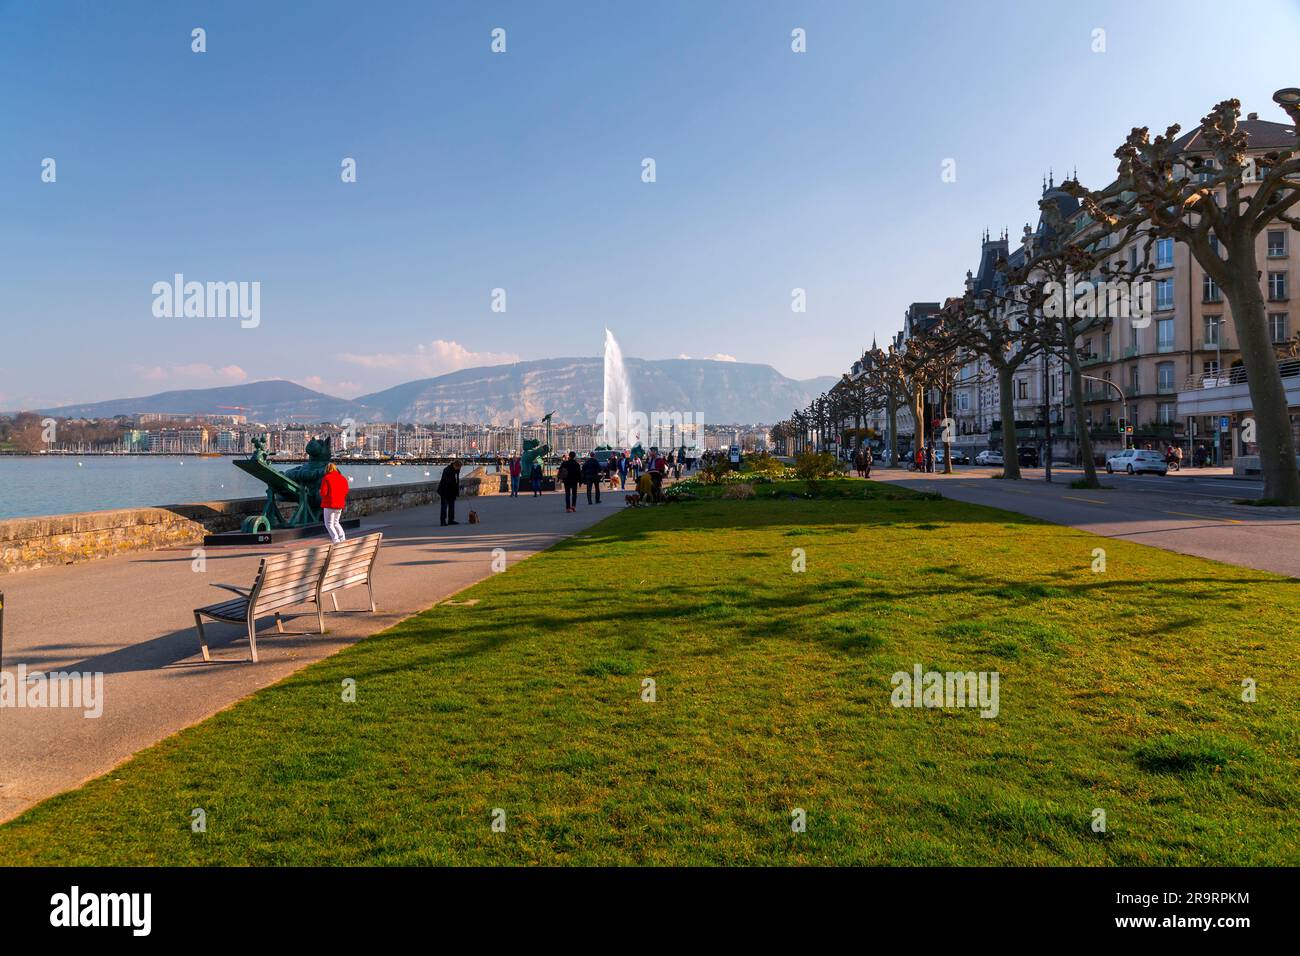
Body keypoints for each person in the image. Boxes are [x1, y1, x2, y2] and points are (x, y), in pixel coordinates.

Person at [319, 462, 349, 543]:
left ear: (327, 470)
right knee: (336, 523)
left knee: (329, 524)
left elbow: (323, 493)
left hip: (329, 504)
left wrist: (320, 492)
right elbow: (346, 491)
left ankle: (336, 540)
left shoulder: (326, 478)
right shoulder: (343, 478)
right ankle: (342, 538)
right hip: (339, 504)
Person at [437, 459, 462, 526]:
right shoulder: (447, 470)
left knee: (452, 506)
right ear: (455, 465)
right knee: (444, 507)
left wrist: (457, 487)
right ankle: (443, 521)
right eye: (459, 467)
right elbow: (445, 482)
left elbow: (456, 480)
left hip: (452, 491)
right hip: (445, 491)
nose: (459, 469)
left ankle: (451, 520)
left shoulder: (456, 470)